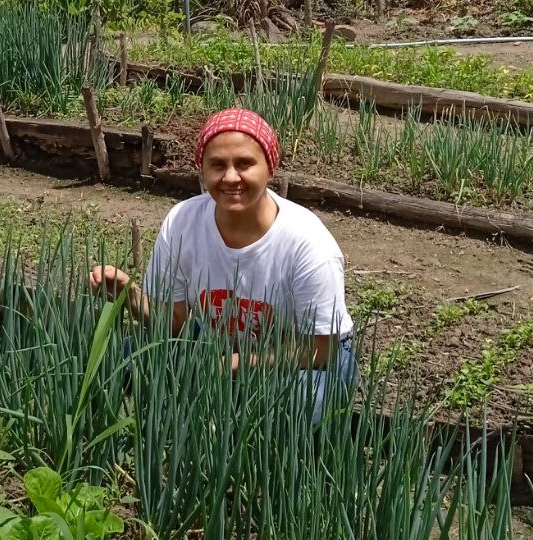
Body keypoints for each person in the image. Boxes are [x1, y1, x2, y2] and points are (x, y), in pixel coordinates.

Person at [89, 107, 354, 418]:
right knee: (119, 357)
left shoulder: (308, 245)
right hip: (220, 342)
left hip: (304, 356)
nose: (230, 177)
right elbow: (175, 322)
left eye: (244, 164)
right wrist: (129, 295)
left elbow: (321, 350)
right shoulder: (183, 222)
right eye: (217, 165)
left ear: (270, 168)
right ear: (202, 170)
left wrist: (234, 365)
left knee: (298, 404)